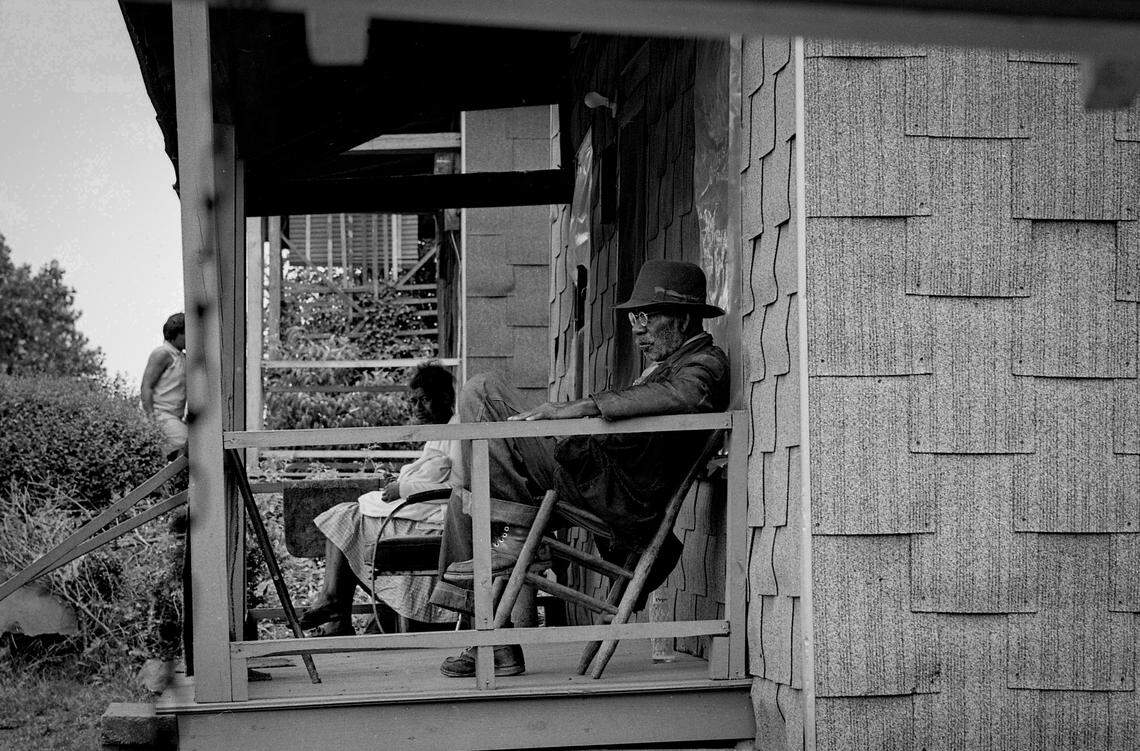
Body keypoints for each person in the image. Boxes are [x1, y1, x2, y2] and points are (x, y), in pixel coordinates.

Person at [430, 259, 729, 678]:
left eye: (645, 317)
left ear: (680, 318)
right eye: (633, 318)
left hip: (613, 494)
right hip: (591, 476)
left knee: (483, 391)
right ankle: (498, 636)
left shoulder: (704, 363)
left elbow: (686, 396)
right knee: (462, 498)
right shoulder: (671, 362)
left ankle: (508, 555)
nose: (637, 329)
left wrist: (585, 406)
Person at [300, 362, 463, 636]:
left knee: (345, 517)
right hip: (421, 511)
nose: (416, 408)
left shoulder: (458, 432)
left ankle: (334, 604)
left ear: (445, 397)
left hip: (439, 520)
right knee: (346, 516)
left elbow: (457, 486)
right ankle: (336, 608)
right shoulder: (437, 434)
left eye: (424, 399)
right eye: (413, 402)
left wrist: (403, 489)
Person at [141, 313, 187, 459]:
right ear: (178, 333)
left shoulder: (181, 356)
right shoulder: (162, 353)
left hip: (175, 417)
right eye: (187, 334)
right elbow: (146, 386)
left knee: (189, 448)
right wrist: (151, 419)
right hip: (161, 414)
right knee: (189, 443)